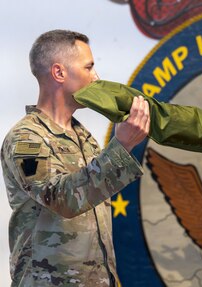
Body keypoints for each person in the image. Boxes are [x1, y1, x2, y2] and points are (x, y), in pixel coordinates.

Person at [1, 30, 150, 286]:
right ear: (59, 73)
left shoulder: (84, 137)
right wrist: (121, 146)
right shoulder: (26, 139)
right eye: (89, 67)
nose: (96, 77)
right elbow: (62, 199)